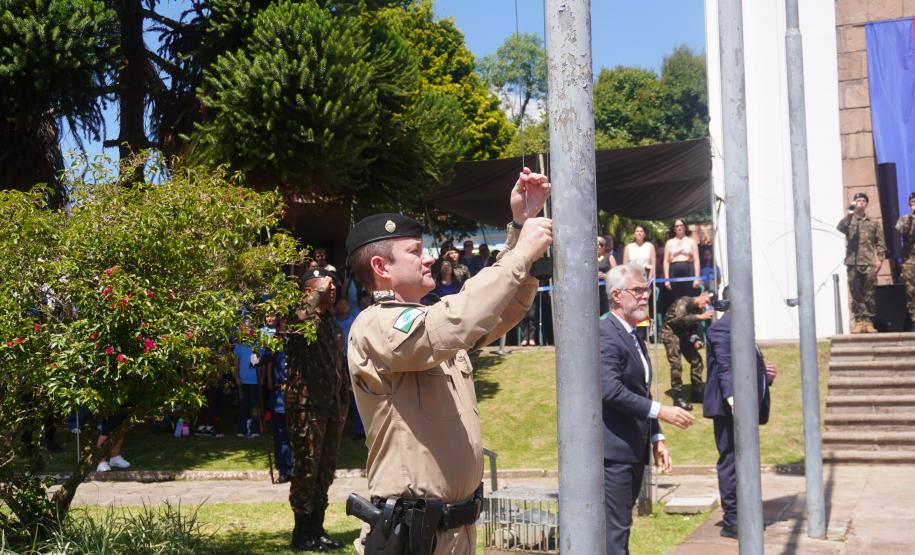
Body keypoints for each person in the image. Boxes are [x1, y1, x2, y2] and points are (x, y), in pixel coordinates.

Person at [344, 167, 552, 554]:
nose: (428, 260)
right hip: (414, 537)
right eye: (415, 252)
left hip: (453, 530)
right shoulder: (376, 324)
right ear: (381, 268)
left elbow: (500, 309)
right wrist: (522, 252)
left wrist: (520, 227)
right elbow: (459, 320)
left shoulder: (430, 322)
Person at [600, 262, 694, 554]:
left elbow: (639, 392)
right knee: (615, 533)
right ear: (617, 295)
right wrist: (661, 411)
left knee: (622, 527)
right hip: (613, 453)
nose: (645, 296)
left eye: (647, 289)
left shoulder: (633, 335)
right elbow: (610, 390)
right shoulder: (605, 332)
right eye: (638, 290)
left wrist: (656, 437)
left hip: (634, 448)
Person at [284, 267, 349, 551]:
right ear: (310, 291)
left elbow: (339, 366)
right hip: (306, 406)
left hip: (331, 407)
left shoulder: (331, 324)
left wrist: (344, 401)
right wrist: (317, 291)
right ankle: (302, 533)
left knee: (325, 470)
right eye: (326, 286)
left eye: (333, 286)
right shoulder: (303, 320)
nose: (332, 289)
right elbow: (299, 317)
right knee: (307, 468)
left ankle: (317, 528)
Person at [704, 287, 777, 539]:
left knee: (744, 460)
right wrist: (734, 400)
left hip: (743, 407)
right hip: (728, 409)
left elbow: (743, 367)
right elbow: (725, 367)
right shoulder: (721, 328)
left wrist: (764, 376)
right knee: (730, 462)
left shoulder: (743, 327)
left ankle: (744, 511)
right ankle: (733, 519)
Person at [837, 192, 885, 333]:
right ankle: (858, 321)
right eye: (858, 200)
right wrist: (850, 212)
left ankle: (868, 321)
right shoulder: (849, 221)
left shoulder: (873, 222)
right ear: (854, 202)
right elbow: (840, 227)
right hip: (853, 262)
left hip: (869, 262)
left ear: (867, 204)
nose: (861, 202)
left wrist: (880, 259)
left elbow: (880, 242)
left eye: (864, 200)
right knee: (856, 292)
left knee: (869, 292)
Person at [660, 292, 715, 410]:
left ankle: (696, 391)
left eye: (708, 304)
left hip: (682, 335)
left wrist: (695, 340)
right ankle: (678, 397)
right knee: (676, 364)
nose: (705, 305)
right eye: (706, 301)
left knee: (697, 361)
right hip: (670, 333)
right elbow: (677, 320)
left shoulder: (698, 310)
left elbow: (693, 327)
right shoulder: (684, 301)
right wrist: (699, 317)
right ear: (702, 295)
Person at [263, 315, 293, 484]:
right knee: (280, 434)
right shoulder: (274, 343)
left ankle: (294, 468)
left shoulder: (297, 342)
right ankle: (283, 469)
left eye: (286, 325)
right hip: (279, 395)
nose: (284, 328)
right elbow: (264, 357)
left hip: (295, 394)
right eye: (282, 325)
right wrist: (256, 359)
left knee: (295, 434)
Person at [663, 219, 701, 300]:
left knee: (689, 297)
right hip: (674, 270)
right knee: (675, 297)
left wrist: (697, 278)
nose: (679, 228)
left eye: (681, 225)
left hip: (688, 269)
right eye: (677, 226)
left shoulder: (692, 242)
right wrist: (666, 279)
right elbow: (666, 262)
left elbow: (696, 260)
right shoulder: (669, 243)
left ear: (685, 227)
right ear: (674, 229)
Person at [233, 336, 261, 438]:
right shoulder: (240, 344)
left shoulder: (259, 344)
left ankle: (254, 430)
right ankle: (242, 429)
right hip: (242, 380)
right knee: (243, 406)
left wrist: (262, 378)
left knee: (254, 407)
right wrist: (236, 377)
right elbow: (236, 362)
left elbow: (264, 362)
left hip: (256, 380)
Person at [896, 192, 915, 326]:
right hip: (910, 261)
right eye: (913, 202)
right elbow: (900, 231)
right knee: (911, 291)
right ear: (909, 204)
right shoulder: (904, 219)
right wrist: (910, 217)